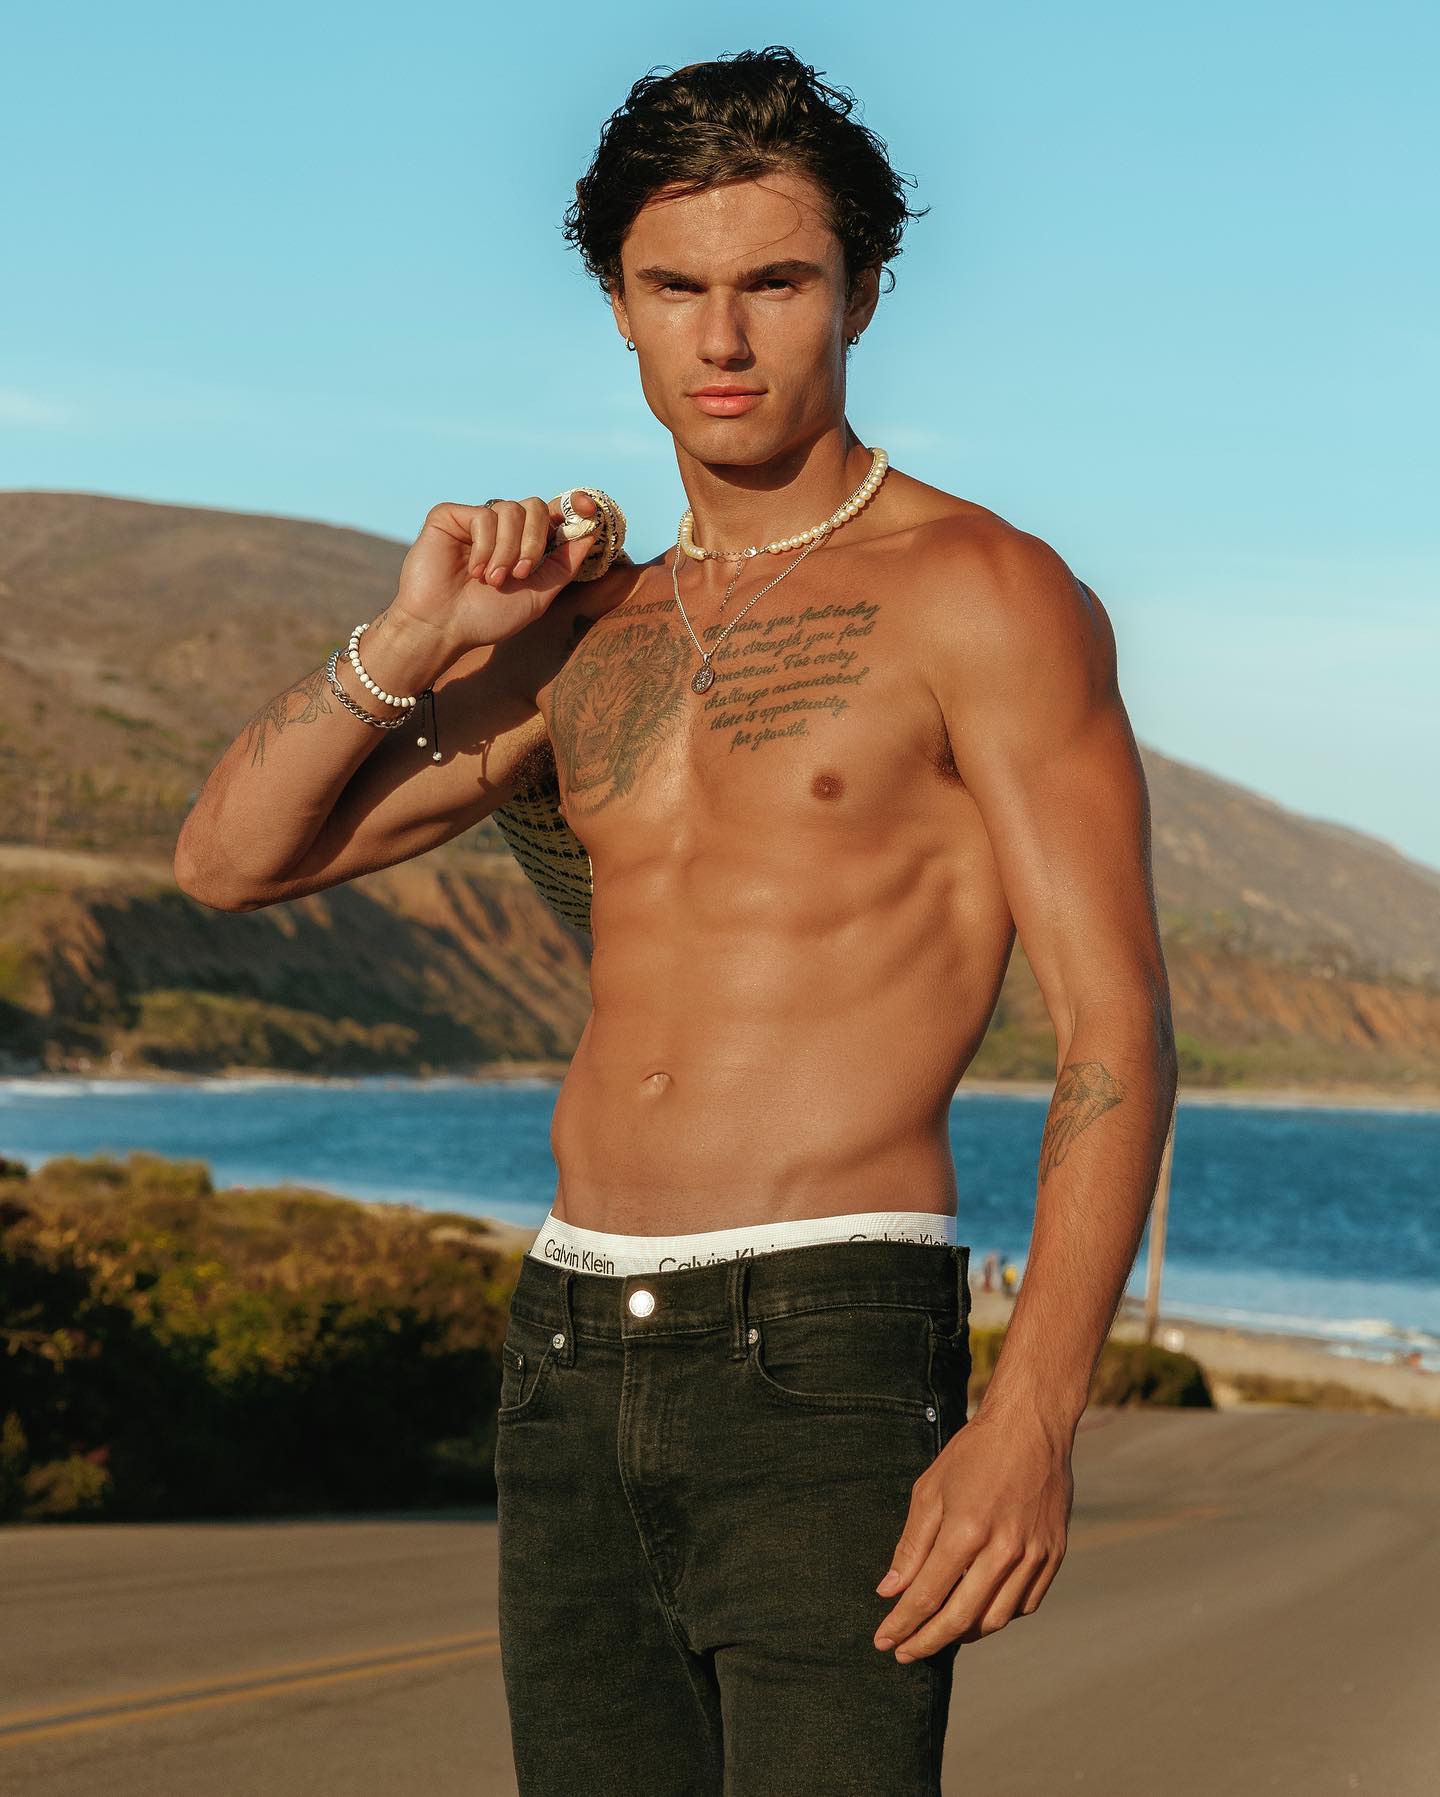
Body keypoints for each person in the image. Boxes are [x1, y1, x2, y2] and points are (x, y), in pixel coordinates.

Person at [173, 45, 1178, 1797]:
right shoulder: (588, 629)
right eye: (674, 289)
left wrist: (1031, 1417)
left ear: (863, 292)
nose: (723, 341)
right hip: (568, 1341)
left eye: (775, 283)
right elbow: (228, 860)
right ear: (620, 308)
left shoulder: (983, 593)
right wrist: (418, 637)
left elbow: (1117, 1030)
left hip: (829, 1336)